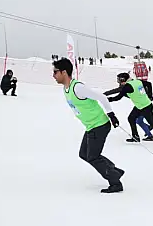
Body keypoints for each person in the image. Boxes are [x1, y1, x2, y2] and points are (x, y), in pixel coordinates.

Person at [52, 58, 124, 193]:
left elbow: (102, 97)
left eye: (55, 72)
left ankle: (115, 182)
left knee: (93, 156)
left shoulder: (78, 88)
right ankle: (114, 171)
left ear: (64, 72)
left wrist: (111, 115)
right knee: (84, 154)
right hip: (91, 126)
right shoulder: (66, 89)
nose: (53, 75)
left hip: (100, 125)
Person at [106, 73, 153, 147]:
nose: (118, 82)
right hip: (141, 105)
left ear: (122, 80)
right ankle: (135, 137)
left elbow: (118, 98)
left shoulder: (127, 86)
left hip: (145, 107)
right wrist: (150, 95)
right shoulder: (137, 81)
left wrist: (108, 99)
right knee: (131, 118)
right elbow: (149, 84)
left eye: (119, 80)